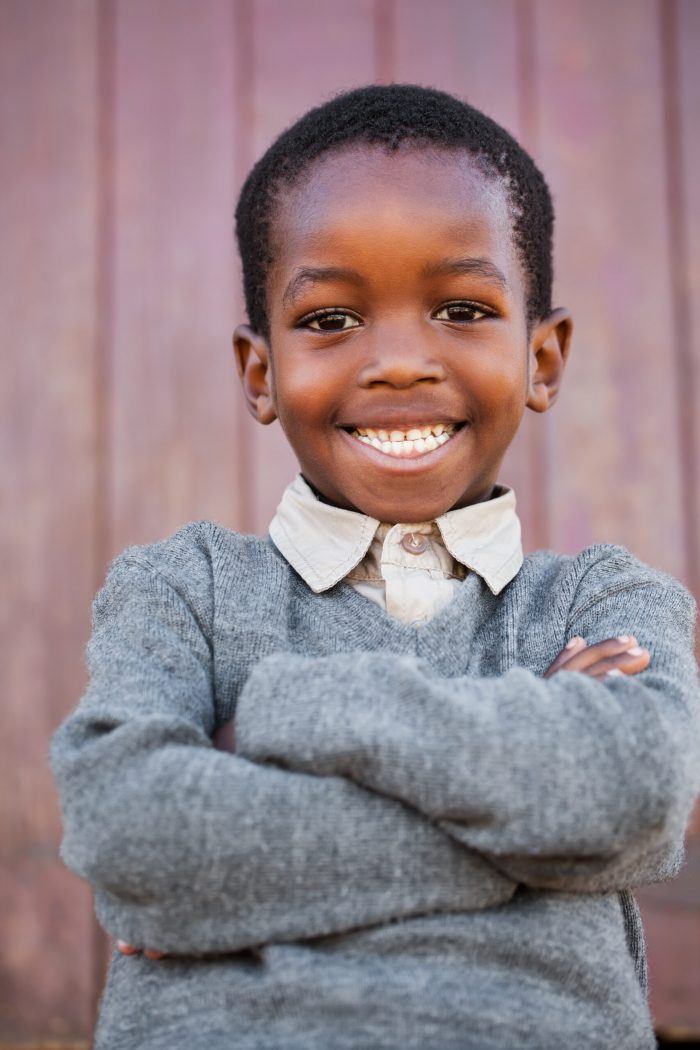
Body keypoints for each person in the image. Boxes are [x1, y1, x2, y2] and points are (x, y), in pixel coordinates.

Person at [50, 84, 700, 1049]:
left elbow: (639, 794)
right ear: (260, 371)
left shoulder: (603, 598)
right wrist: (543, 835)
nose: (400, 362)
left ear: (543, 358)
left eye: (461, 308)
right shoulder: (180, 590)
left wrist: (283, 716)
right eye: (329, 321)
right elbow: (130, 834)